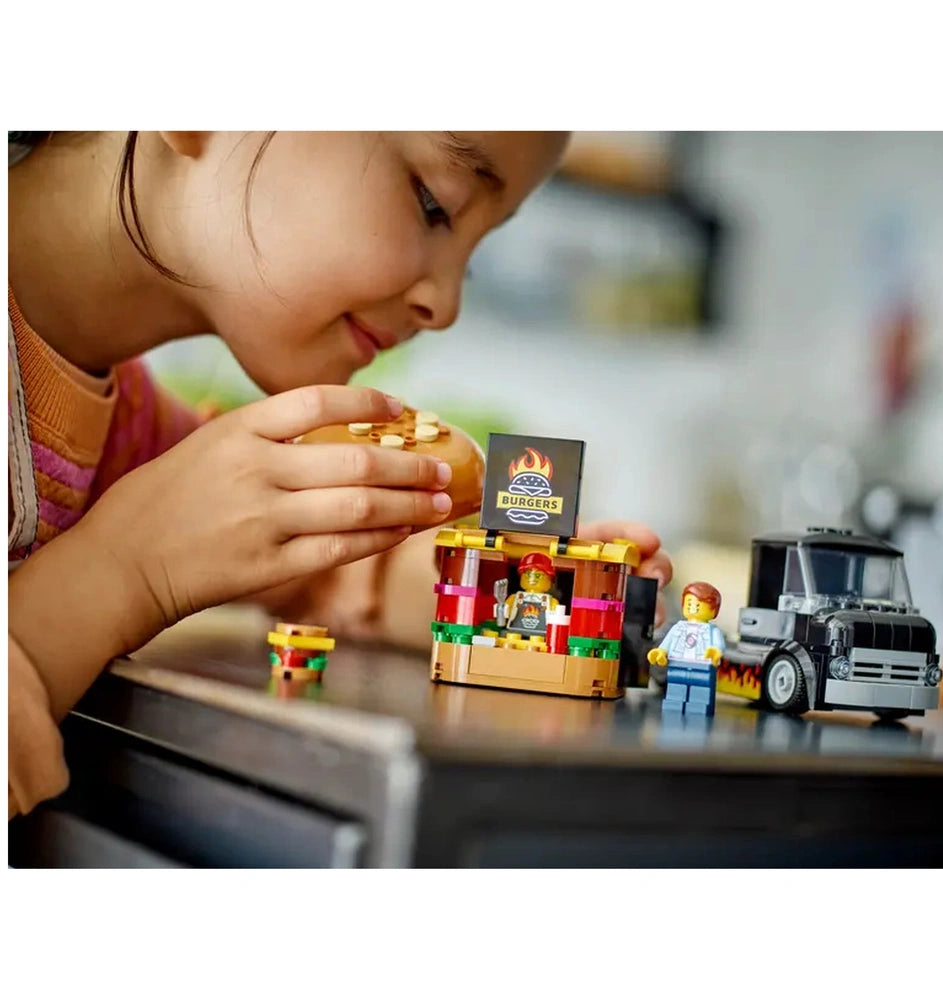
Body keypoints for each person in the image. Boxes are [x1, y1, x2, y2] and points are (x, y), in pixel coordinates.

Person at [7, 131, 673, 819]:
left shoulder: (132, 434)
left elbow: (326, 571)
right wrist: (124, 571)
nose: (445, 307)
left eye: (471, 263)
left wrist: (516, 593)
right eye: (434, 204)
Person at [647, 581, 724, 715]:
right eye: (689, 604)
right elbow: (668, 641)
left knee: (699, 685)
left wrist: (716, 652)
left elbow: (719, 644)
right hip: (678, 661)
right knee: (677, 683)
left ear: (713, 610)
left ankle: (698, 704)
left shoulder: (711, 630)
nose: (693, 608)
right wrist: (661, 651)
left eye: (698, 605)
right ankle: (675, 701)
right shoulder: (679, 627)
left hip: (701, 664)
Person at [501, 552, 559, 639]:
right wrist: (501, 608)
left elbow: (556, 621)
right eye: (528, 575)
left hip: (541, 636)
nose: (532, 579)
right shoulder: (514, 598)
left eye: (538, 576)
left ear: (549, 580)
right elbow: (503, 615)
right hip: (513, 633)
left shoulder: (551, 603)